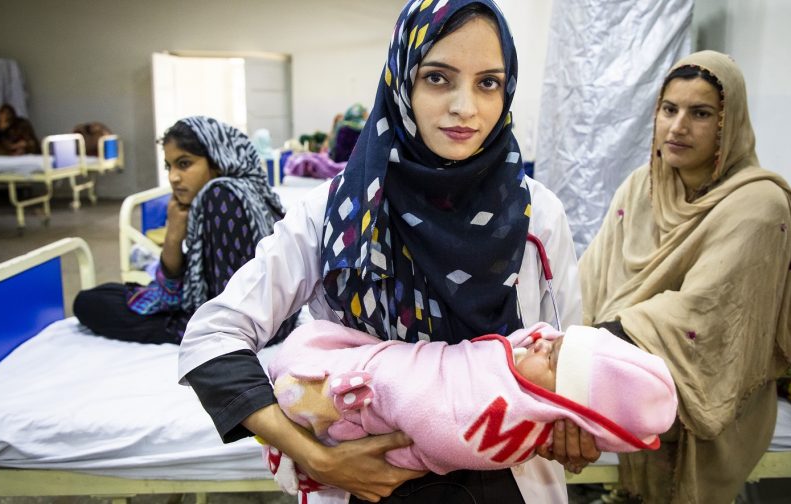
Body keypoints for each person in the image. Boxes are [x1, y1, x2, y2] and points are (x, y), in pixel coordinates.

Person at [178, 2, 597, 503]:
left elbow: (567, 354)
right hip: (365, 483)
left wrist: (575, 417)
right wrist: (316, 457)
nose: (466, 106)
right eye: (439, 78)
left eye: (488, 82)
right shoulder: (337, 213)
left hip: (503, 479)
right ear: (402, 82)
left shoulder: (535, 214)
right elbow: (212, 335)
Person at [578, 50, 791, 503]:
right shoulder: (642, 185)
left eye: (700, 114)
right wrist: (558, 339)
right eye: (669, 109)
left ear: (729, 123)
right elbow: (592, 276)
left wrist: (589, 350)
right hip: (617, 356)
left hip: (700, 382)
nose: (678, 127)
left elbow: (703, 316)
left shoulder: (759, 206)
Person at [261, 320, 677, 498]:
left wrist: (383, 388)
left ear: (558, 406)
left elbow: (433, 421)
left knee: (301, 388)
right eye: (554, 340)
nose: (541, 342)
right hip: (376, 362)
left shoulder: (500, 424)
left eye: (551, 356)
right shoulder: (523, 362)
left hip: (371, 401)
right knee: (303, 351)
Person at [74, 116, 296, 345]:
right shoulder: (247, 190)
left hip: (243, 327)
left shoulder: (221, 197)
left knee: (89, 303)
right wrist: (174, 233)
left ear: (217, 162)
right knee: (109, 292)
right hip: (277, 320)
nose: (173, 177)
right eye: (169, 166)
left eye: (184, 164)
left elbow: (226, 310)